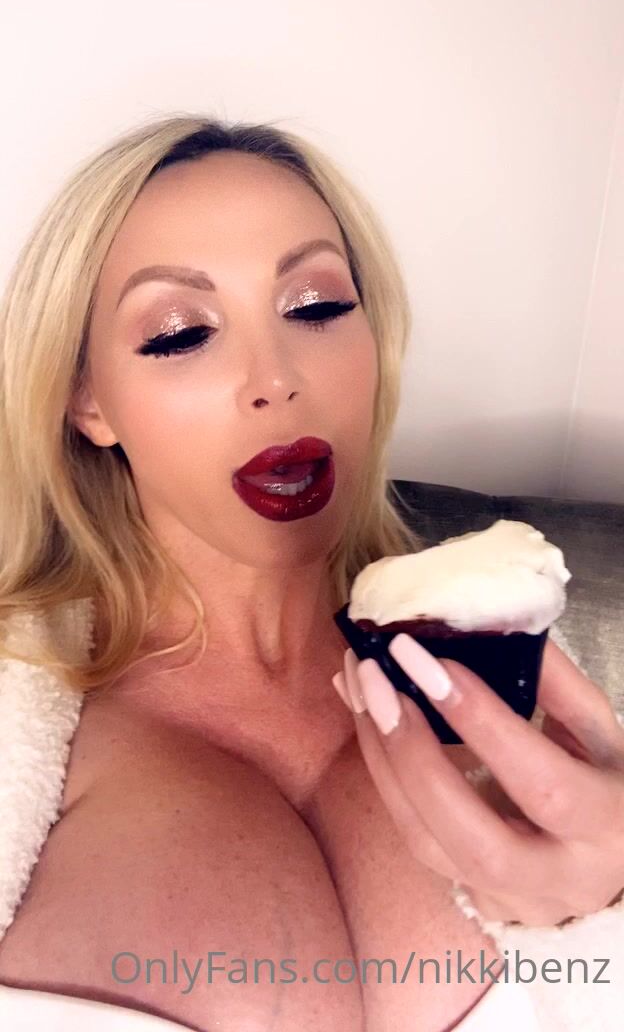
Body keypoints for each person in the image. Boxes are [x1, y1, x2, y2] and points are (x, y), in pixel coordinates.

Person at [0, 114, 622, 1031]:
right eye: (179, 333)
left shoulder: (523, 676)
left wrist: (606, 911)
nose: (277, 377)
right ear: (88, 402)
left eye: (316, 307)